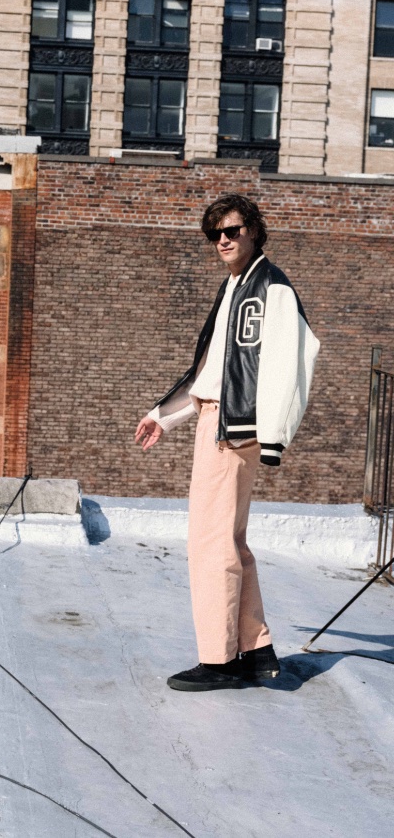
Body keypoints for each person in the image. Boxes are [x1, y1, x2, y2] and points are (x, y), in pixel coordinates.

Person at [135, 194, 319, 692]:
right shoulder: (237, 285)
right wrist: (163, 416)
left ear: (254, 231)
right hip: (218, 422)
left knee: (211, 542)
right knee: (229, 541)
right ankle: (256, 651)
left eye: (233, 230)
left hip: (235, 430)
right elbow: (212, 371)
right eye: (215, 233)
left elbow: (293, 361)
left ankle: (219, 661)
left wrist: (275, 435)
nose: (223, 239)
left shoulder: (271, 288)